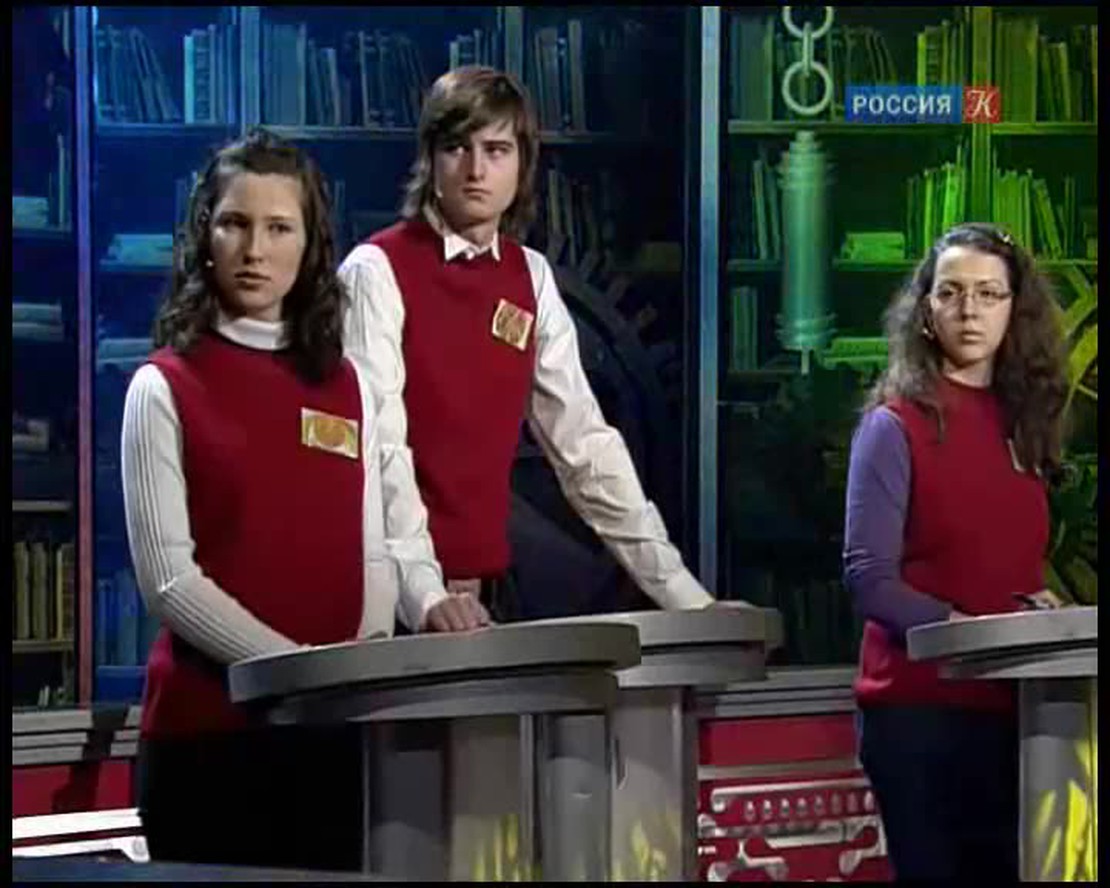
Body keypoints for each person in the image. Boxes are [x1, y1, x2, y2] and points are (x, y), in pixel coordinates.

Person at [121, 129, 488, 871]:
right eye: (235, 224)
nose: (255, 250)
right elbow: (171, 584)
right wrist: (297, 671)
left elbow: (374, 551)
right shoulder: (162, 388)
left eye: (278, 228)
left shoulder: (347, 383)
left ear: (311, 244)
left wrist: (353, 676)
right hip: (207, 745)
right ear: (205, 237)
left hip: (335, 739)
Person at [338, 66, 715, 622]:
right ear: (430, 160)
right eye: (457, 148)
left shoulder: (530, 276)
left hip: (486, 593)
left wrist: (689, 602)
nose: (476, 171)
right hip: (388, 597)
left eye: (496, 150)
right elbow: (380, 451)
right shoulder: (375, 270)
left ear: (522, 164)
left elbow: (584, 447)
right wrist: (424, 594)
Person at [843, 222, 1068, 881]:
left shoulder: (1025, 424)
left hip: (1016, 710)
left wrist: (1042, 611)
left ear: (1015, 310)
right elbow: (870, 579)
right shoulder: (894, 426)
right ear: (926, 310)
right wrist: (969, 634)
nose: (970, 310)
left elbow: (1008, 560)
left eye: (989, 294)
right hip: (920, 713)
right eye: (952, 292)